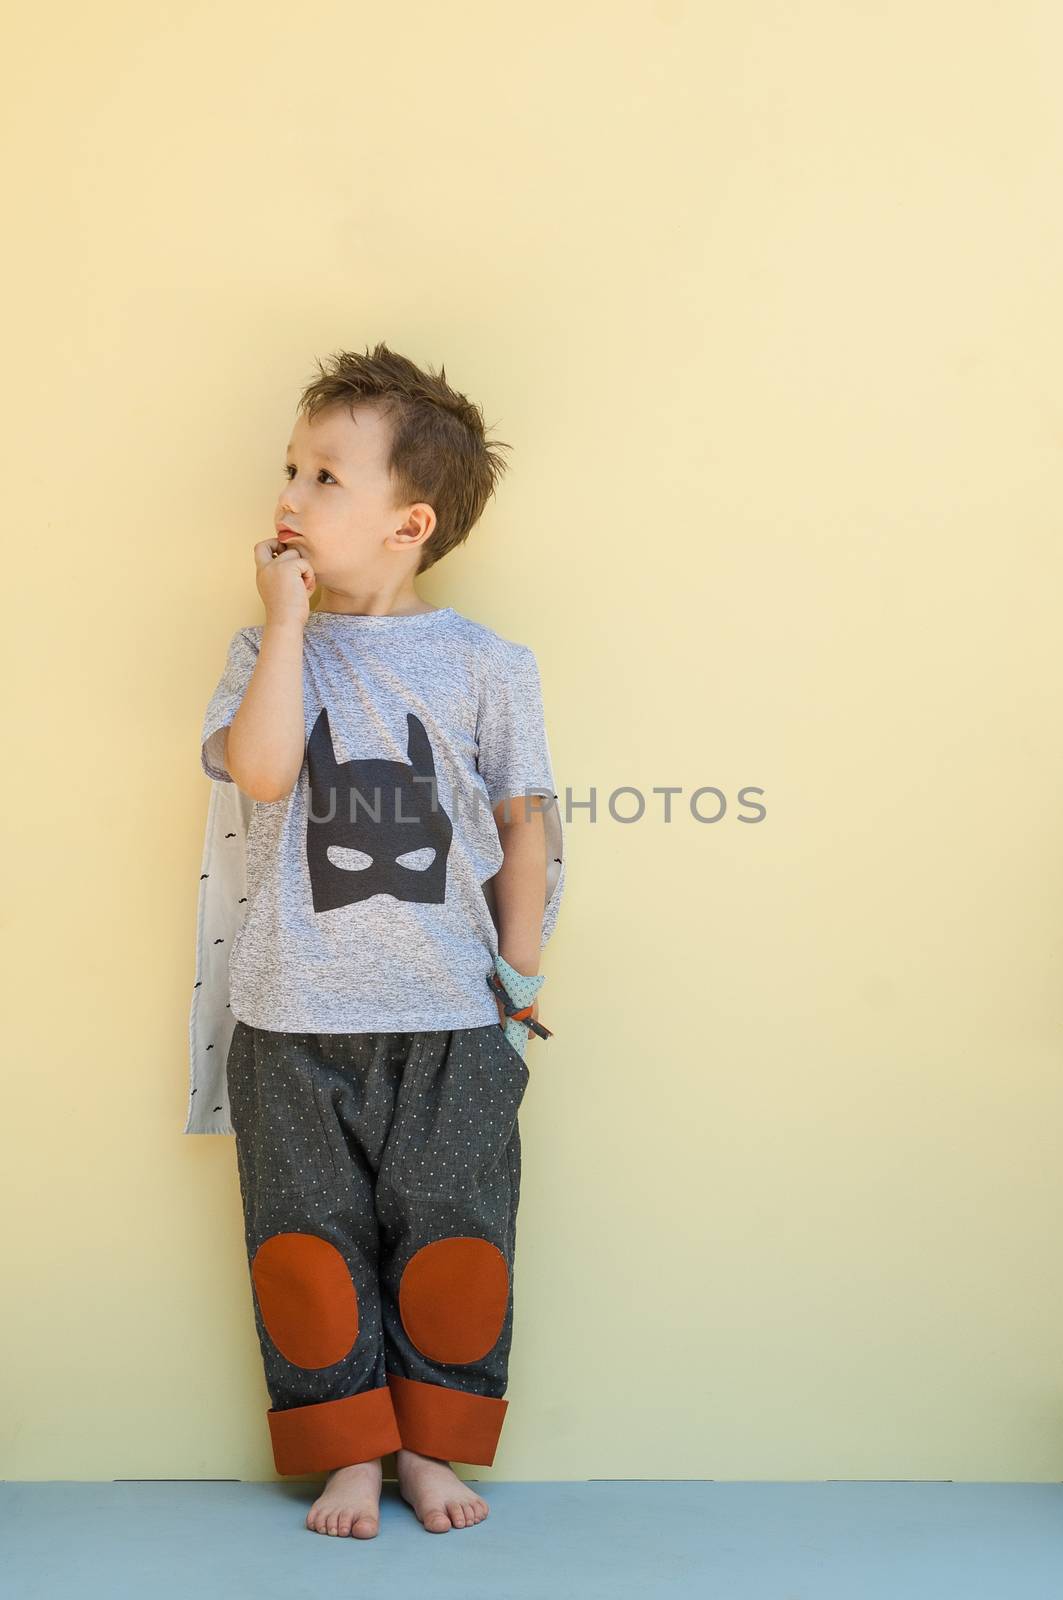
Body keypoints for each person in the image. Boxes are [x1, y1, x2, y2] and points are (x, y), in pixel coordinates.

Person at [194, 343, 565, 1538]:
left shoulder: (485, 665)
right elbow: (259, 774)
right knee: (306, 1251)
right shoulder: (265, 653)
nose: (289, 497)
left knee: (457, 1246)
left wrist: (518, 976)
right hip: (292, 1015)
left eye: (323, 478)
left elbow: (525, 829)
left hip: (452, 1018)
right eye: (289, 469)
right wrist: (288, 624)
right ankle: (346, 1454)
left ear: (408, 522)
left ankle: (431, 1449)